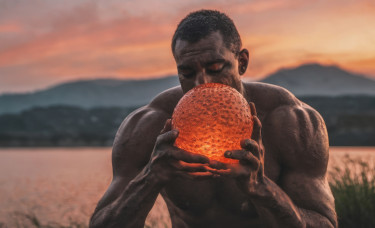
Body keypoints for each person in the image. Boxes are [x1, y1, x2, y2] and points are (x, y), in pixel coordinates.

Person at [89, 10, 337, 228]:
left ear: (242, 62)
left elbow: (325, 223)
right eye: (187, 73)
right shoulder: (149, 126)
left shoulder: (290, 122)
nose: (202, 83)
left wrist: (263, 189)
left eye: (216, 68)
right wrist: (150, 178)